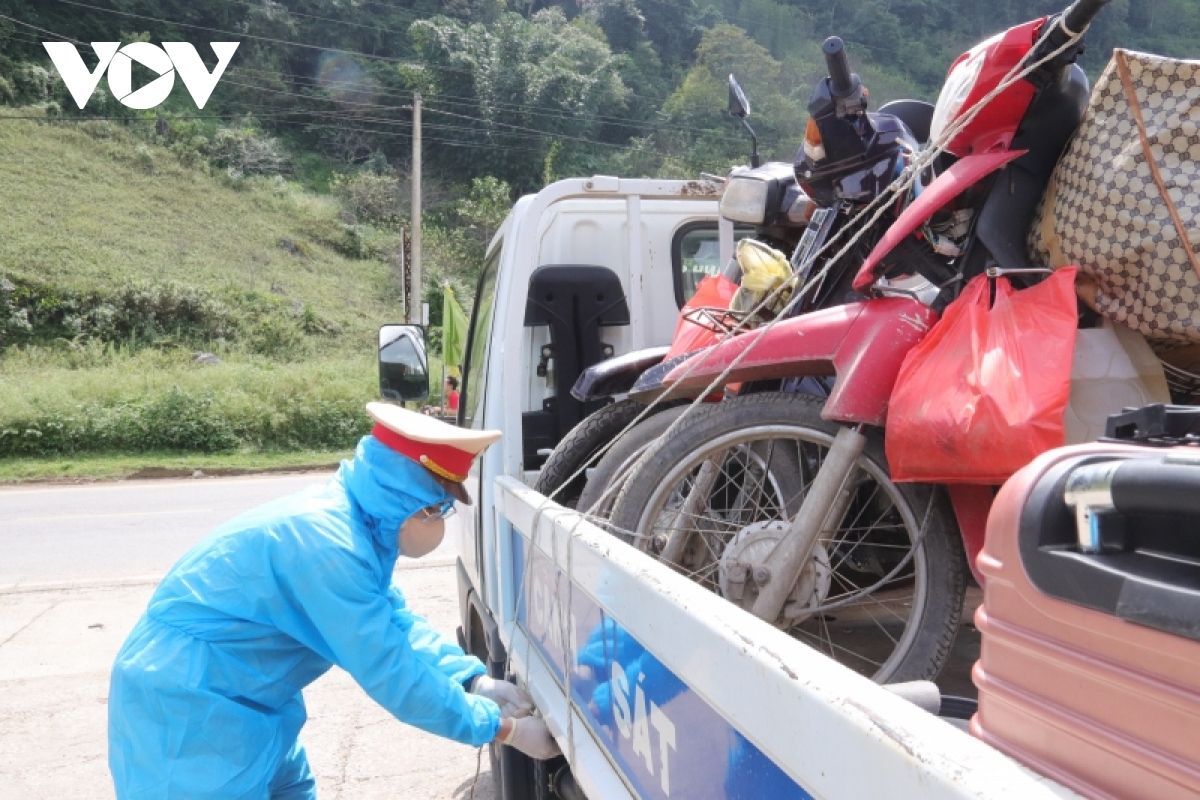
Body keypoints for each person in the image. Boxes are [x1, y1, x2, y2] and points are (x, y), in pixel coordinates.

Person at [108, 402, 560, 798]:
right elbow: (390, 673)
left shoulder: (354, 527)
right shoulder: (328, 544)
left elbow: (391, 623)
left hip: (249, 700)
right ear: (400, 492)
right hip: (188, 704)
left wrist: (470, 680)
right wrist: (503, 729)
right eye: (434, 507)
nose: (438, 522)